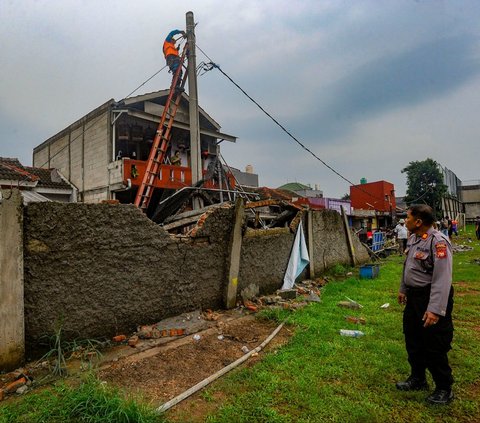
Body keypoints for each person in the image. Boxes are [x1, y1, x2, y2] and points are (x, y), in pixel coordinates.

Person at [396, 204, 454, 405]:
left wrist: (435, 310)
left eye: (408, 218)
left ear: (418, 222)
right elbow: (409, 266)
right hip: (414, 297)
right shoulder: (413, 239)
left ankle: (444, 388)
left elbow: (442, 279)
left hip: (430, 297)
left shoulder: (438, 242)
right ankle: (418, 378)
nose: (405, 221)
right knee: (413, 338)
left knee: (434, 343)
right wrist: (404, 289)